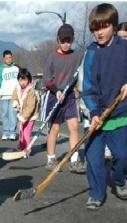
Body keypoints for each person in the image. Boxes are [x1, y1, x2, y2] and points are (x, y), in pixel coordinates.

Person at [82, 3, 127, 210]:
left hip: (120, 114)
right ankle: (96, 193)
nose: (98, 32)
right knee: (93, 158)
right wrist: (93, 112)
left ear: (113, 25)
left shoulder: (126, 48)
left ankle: (119, 180)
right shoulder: (91, 53)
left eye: (103, 27)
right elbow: (88, 87)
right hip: (96, 116)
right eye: (94, 28)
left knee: (123, 156)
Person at [43, 24, 86, 174]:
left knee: (74, 127)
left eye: (68, 40)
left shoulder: (78, 56)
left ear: (73, 39)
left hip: (69, 97)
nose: (66, 43)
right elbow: (47, 80)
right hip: (55, 97)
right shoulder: (52, 57)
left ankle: (74, 160)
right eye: (63, 41)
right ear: (58, 40)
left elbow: (84, 67)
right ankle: (51, 158)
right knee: (54, 129)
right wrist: (56, 91)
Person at [0, 50, 19, 140]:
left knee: (12, 114)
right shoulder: (1, 69)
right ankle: (6, 132)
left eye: (10, 57)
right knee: (4, 114)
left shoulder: (16, 68)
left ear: (12, 57)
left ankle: (12, 132)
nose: (8, 59)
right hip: (4, 95)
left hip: (14, 95)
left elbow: (22, 78)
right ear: (4, 59)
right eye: (6, 58)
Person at [12, 68, 38, 157]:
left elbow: (30, 106)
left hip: (30, 116)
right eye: (20, 80)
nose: (22, 82)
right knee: (21, 131)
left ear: (28, 80)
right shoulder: (18, 88)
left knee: (26, 132)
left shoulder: (31, 91)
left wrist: (24, 117)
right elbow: (14, 96)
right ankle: (21, 146)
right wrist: (16, 103)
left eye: (24, 80)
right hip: (22, 114)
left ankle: (27, 150)